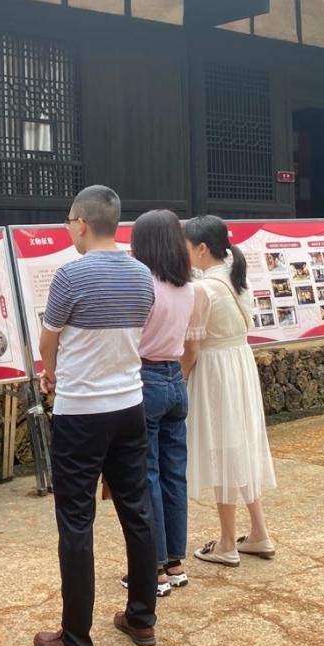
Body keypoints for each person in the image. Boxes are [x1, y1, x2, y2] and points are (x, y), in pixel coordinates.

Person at [33, 185, 158, 646]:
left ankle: (76, 638)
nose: (69, 228)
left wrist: (51, 374)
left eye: (69, 220)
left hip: (82, 409)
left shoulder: (71, 275)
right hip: (129, 404)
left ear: (82, 223)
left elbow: (49, 340)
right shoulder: (141, 273)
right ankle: (142, 617)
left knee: (76, 519)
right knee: (136, 510)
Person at [183, 215, 277, 567]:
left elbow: (192, 347)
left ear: (201, 248)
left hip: (215, 370)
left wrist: (180, 378)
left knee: (224, 450)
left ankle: (226, 541)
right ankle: (258, 532)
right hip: (239, 363)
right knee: (240, 446)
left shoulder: (203, 289)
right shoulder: (237, 279)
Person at [126, 210, 200, 597]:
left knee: (147, 474)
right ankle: (175, 562)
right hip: (174, 377)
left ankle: (152, 568)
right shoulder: (187, 287)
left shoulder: (144, 286)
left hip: (146, 377)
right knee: (174, 474)